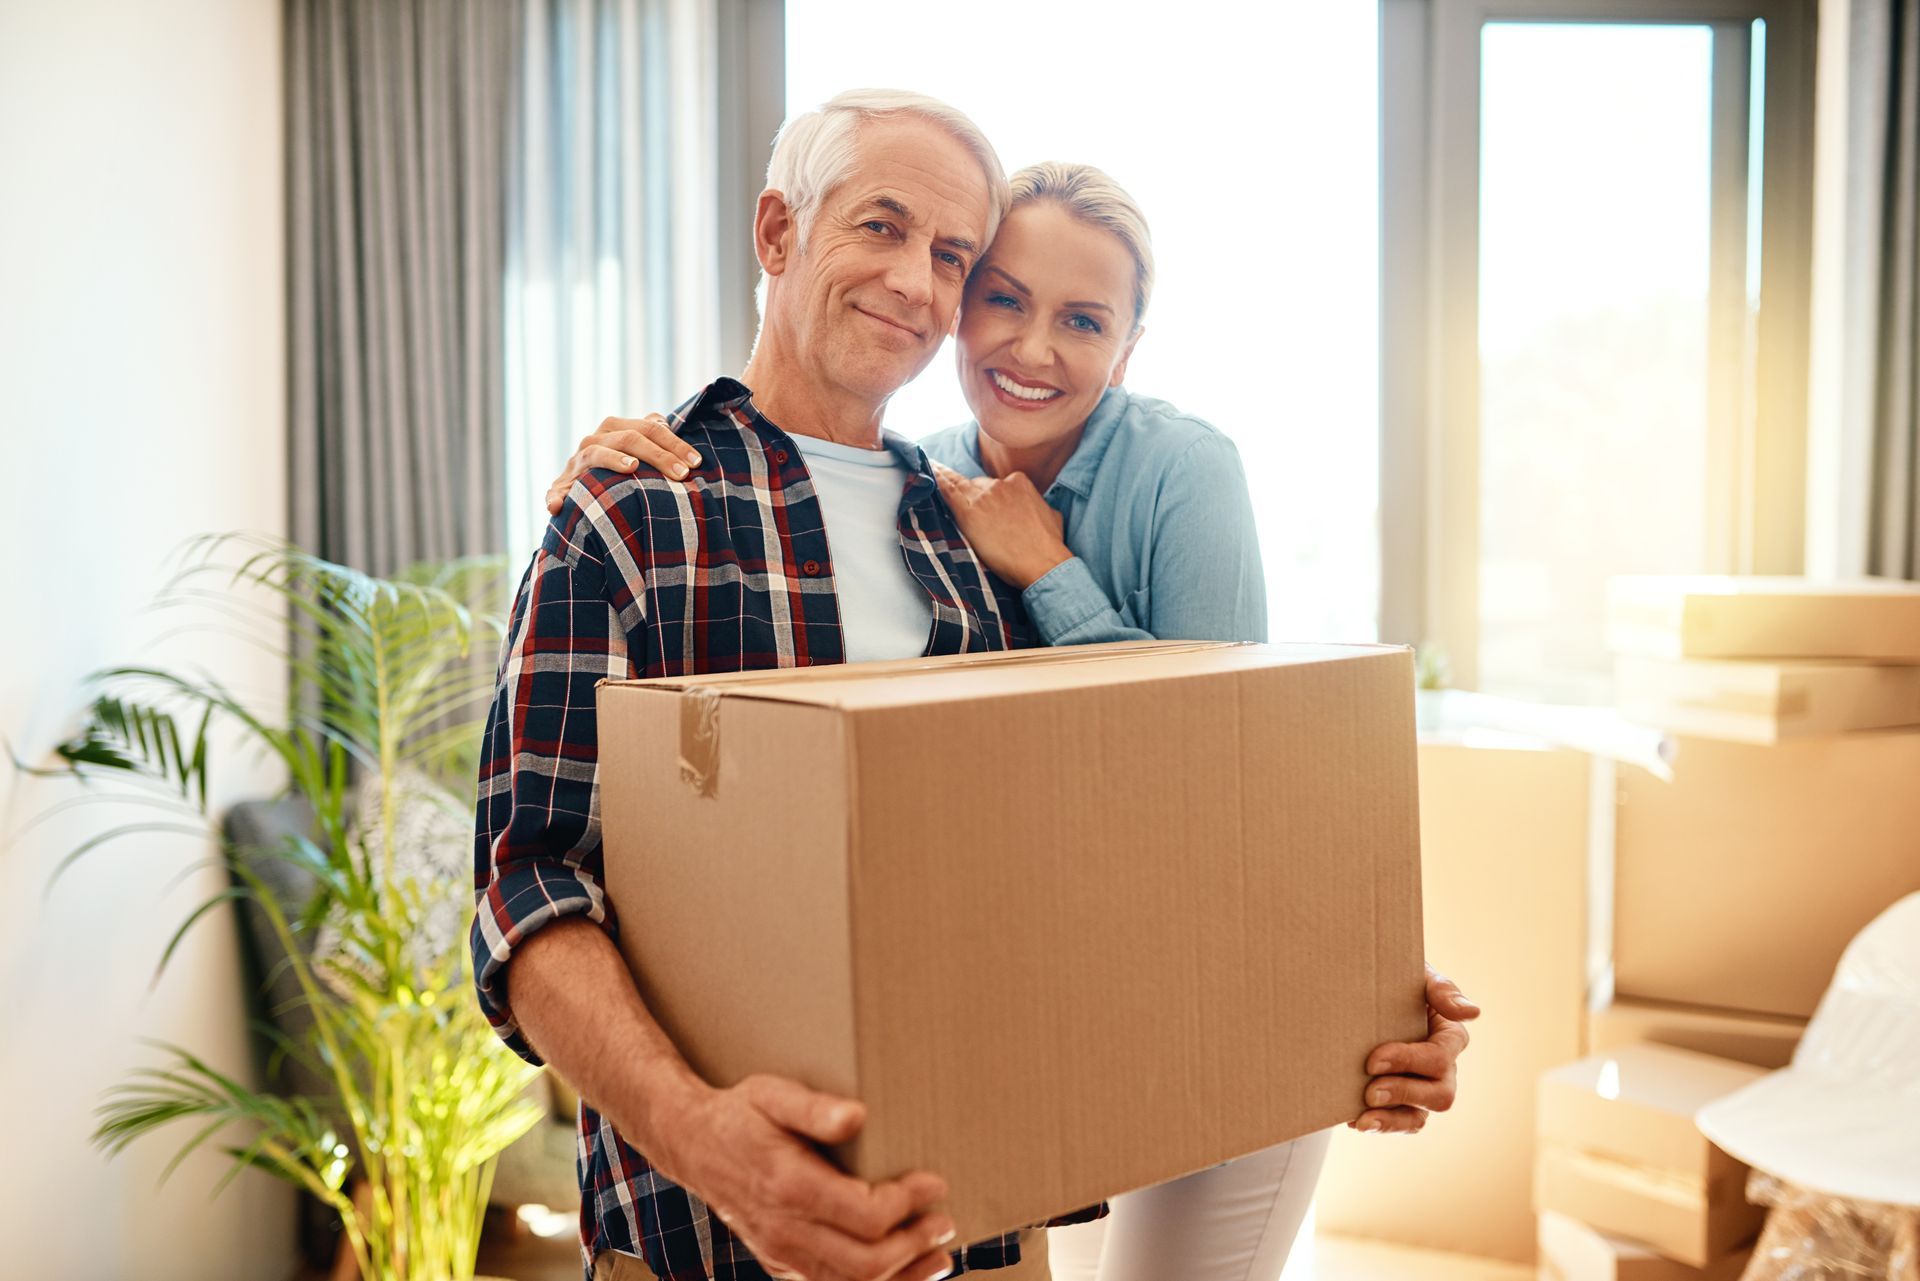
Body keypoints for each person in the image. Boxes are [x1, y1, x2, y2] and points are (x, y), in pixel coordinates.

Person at [546, 159, 1478, 1281]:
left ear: (1128, 347)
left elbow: (1227, 763)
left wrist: (1050, 570)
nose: (1033, 350)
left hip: (1223, 974)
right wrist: (621, 456)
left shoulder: (1183, 470)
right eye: (1002, 298)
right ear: (957, 307)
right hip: (1075, 990)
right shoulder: (917, 483)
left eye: (1083, 321)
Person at [475, 89, 1112, 1281]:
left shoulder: (982, 532)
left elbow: (1082, 846)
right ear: (778, 234)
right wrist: (702, 1139)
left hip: (981, 1233)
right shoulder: (632, 513)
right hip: (704, 1243)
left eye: (950, 255)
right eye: (880, 227)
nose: (917, 284)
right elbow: (529, 890)